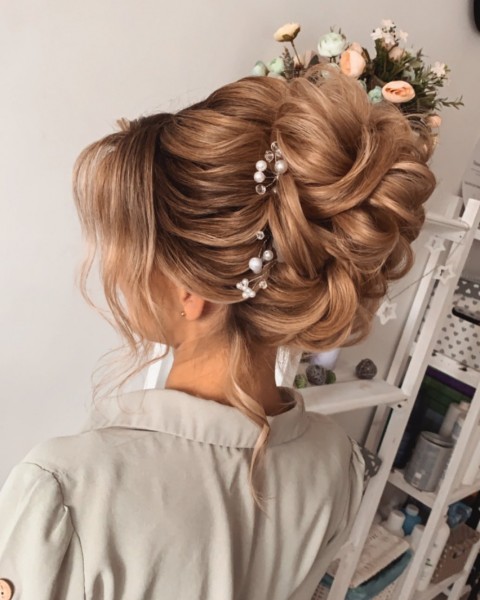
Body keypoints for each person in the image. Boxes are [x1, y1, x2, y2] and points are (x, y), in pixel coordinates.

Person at [0, 67, 435, 599]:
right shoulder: (339, 465)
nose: (116, 270)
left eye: (129, 245)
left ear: (190, 290)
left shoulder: (67, 492)